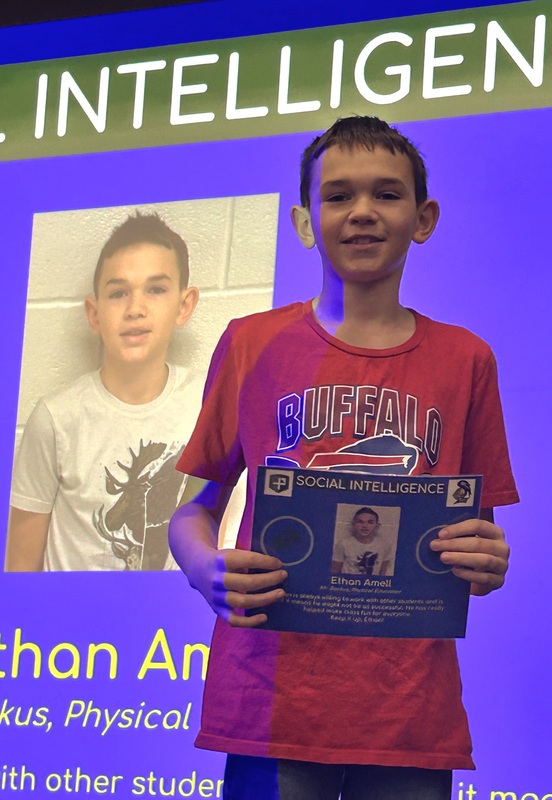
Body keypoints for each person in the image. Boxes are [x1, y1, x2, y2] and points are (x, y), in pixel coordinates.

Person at [169, 117, 518, 799]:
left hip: (408, 711)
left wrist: (487, 561)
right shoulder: (251, 343)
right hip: (269, 697)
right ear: (305, 221)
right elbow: (195, 510)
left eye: (386, 194)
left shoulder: (466, 358)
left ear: (424, 218)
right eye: (337, 196)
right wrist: (204, 568)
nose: (362, 211)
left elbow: (476, 540)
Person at [7, 212, 200, 571]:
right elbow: (20, 567)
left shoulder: (209, 407)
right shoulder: (55, 418)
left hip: (167, 607)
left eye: (156, 289)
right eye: (118, 293)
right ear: (94, 314)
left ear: (184, 305)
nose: (135, 309)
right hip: (73, 609)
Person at [331, 506, 391, 576]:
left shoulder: (384, 546)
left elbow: (382, 575)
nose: (365, 526)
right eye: (360, 522)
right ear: (353, 524)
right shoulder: (343, 544)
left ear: (377, 525)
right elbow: (334, 573)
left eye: (370, 522)